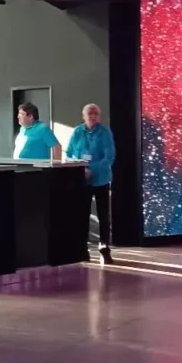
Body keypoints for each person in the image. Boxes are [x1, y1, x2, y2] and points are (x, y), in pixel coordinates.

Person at [66, 104, 115, 264]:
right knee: (82, 215)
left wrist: (92, 169)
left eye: (95, 113)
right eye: (89, 113)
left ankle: (104, 248)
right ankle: (82, 249)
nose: (92, 116)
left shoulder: (105, 133)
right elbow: (68, 153)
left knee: (103, 216)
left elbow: (109, 157)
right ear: (83, 116)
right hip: (82, 180)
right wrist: (79, 167)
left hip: (100, 179)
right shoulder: (77, 132)